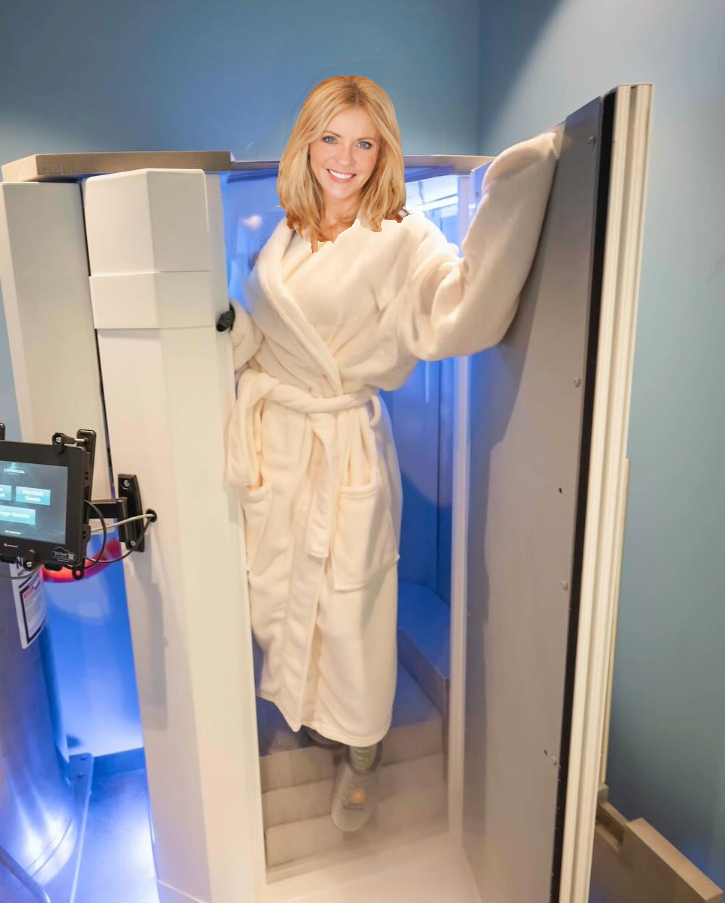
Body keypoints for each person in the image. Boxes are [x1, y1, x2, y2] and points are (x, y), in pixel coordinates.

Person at [220, 75, 558, 832]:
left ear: (385, 153)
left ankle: (363, 751)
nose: (347, 159)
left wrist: (517, 187)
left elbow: (456, 313)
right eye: (332, 138)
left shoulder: (402, 237)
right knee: (277, 590)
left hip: (342, 448)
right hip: (281, 443)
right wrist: (223, 326)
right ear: (307, 143)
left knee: (352, 609)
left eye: (365, 143)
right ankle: (308, 717)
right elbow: (264, 336)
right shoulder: (288, 230)